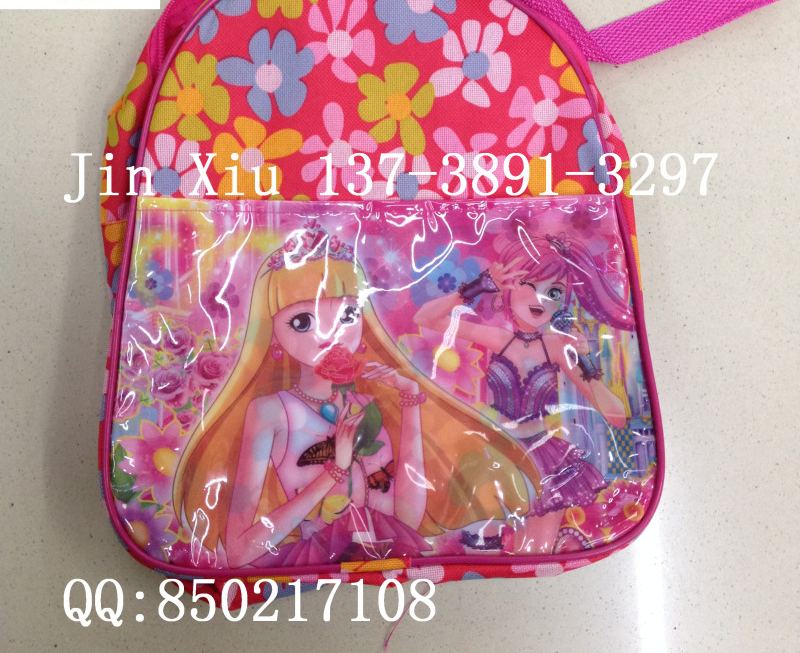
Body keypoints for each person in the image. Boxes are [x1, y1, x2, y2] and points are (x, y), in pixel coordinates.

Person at [173, 221, 544, 567]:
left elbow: (406, 521)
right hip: (315, 560)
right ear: (271, 334)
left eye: (348, 316)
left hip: (389, 561)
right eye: (302, 321)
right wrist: (334, 470)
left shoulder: (368, 406)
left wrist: (409, 399)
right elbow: (239, 551)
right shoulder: (270, 412)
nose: (331, 334)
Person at [413, 227, 634, 554]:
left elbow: (616, 416)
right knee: (483, 548)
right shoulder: (499, 339)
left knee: (534, 553)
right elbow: (425, 318)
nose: (541, 299)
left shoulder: (556, 347)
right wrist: (478, 285)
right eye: (529, 284)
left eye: (554, 291)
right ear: (506, 286)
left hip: (544, 460)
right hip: (493, 452)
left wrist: (586, 362)